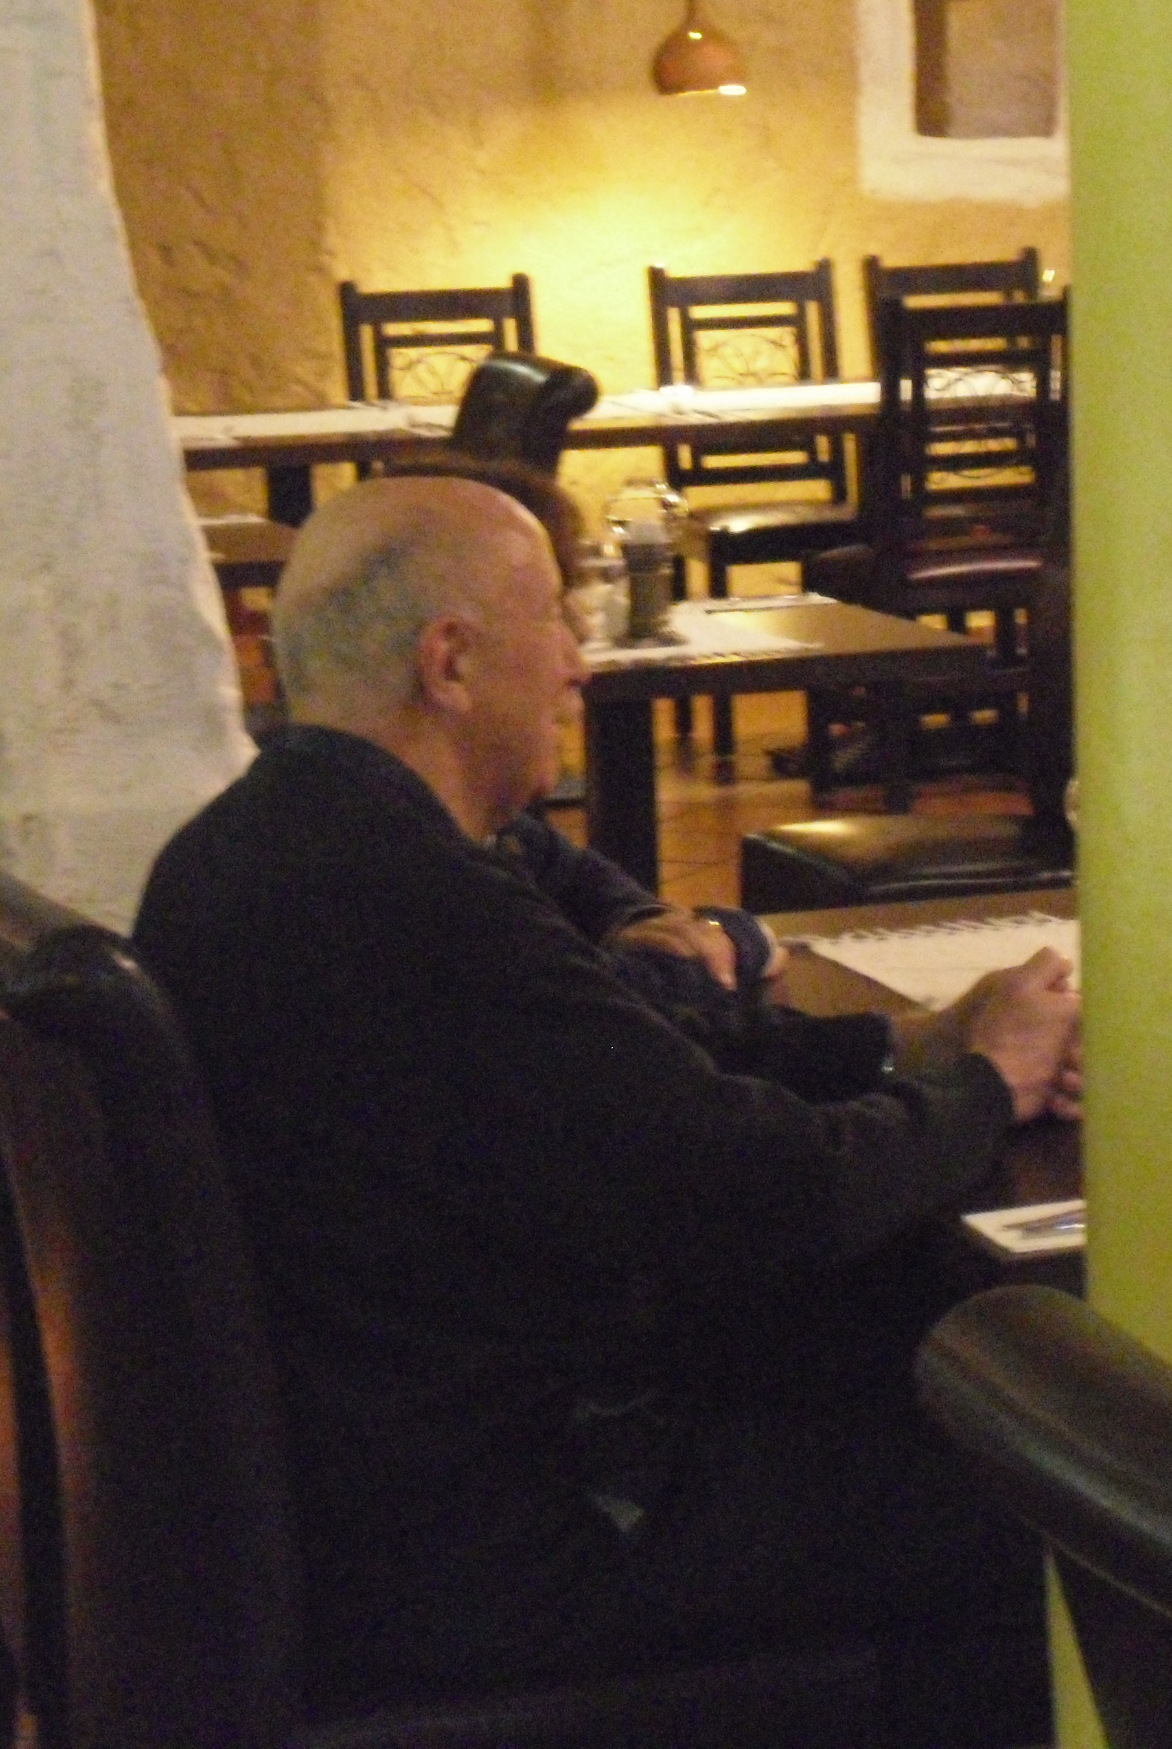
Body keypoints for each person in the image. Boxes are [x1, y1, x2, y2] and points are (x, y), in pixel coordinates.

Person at [133, 473, 1079, 1743]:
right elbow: (763, 1196)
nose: (581, 662)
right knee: (1041, 1500)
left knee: (889, 1349)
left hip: (374, 1480)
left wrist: (909, 1046)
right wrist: (986, 1084)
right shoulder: (410, 903)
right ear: (451, 662)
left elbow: (633, 1086)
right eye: (555, 619)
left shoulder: (268, 842)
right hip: (506, 1543)